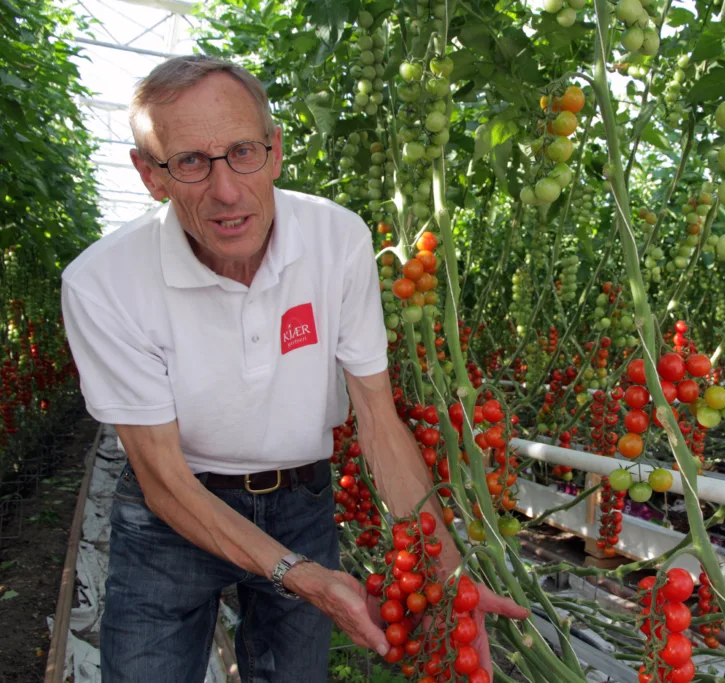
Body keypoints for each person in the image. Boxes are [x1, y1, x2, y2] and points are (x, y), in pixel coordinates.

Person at [60, 55, 528, 683]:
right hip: (170, 519)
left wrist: (448, 572)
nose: (227, 191)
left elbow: (378, 421)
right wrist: (300, 576)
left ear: (276, 152)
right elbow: (164, 479)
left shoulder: (338, 241)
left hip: (300, 502)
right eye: (191, 163)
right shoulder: (103, 283)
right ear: (151, 176)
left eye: (243, 152)